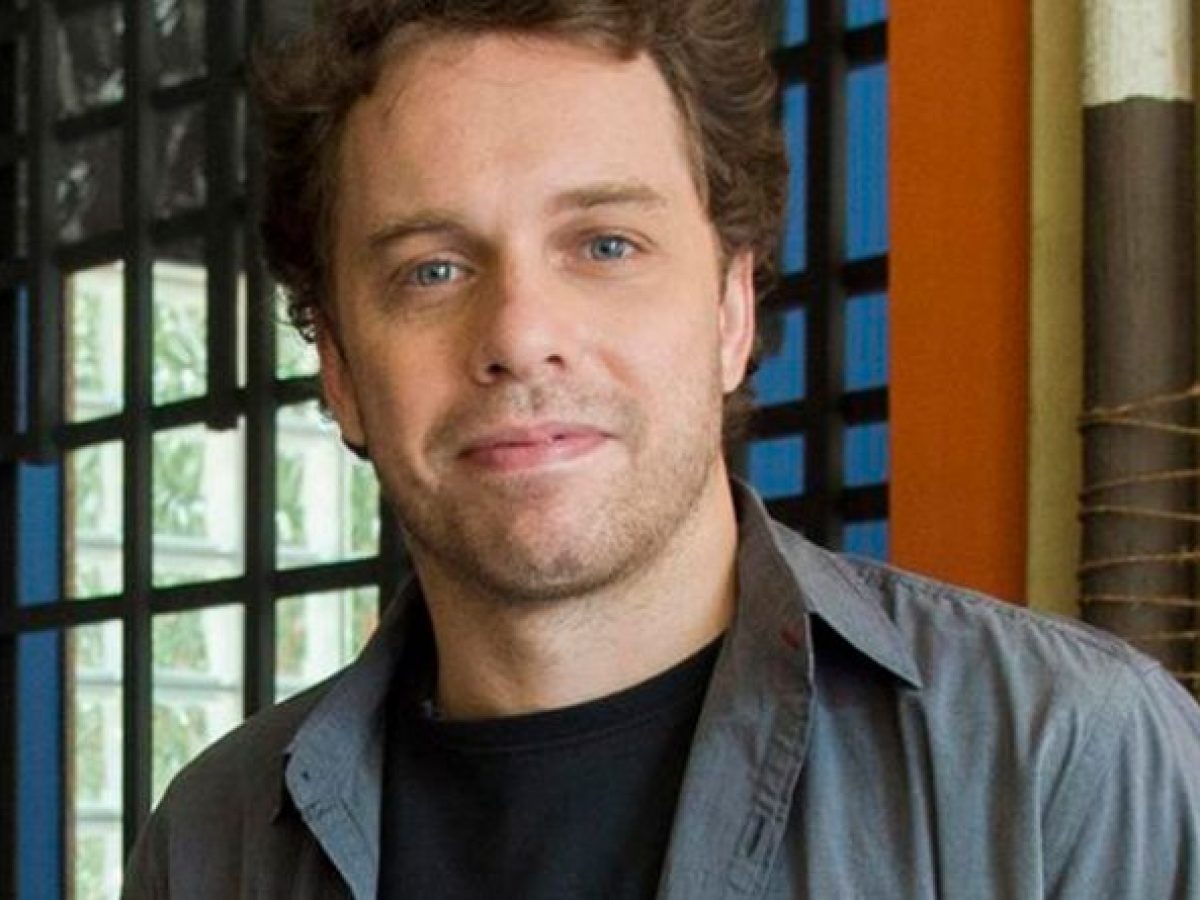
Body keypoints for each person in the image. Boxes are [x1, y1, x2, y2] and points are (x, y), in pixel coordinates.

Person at [123, 1, 1200, 897]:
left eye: (605, 244)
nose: (520, 334)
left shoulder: (1063, 764)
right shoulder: (215, 843)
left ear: (732, 310)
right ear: (341, 369)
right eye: (432, 269)